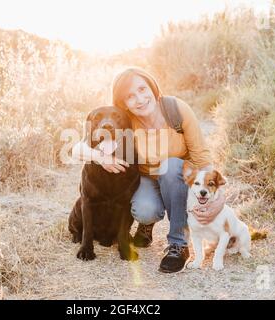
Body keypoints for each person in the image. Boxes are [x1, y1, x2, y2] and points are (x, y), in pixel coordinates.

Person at [71, 67, 225, 273]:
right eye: (130, 96)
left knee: (170, 167)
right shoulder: (125, 121)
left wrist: (217, 198)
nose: (140, 99)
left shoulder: (176, 110)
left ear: (152, 87)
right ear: (123, 103)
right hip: (148, 180)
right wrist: (100, 157)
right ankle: (146, 225)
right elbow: (77, 148)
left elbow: (202, 158)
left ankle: (178, 244)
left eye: (142, 89)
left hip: (177, 178)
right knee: (144, 209)